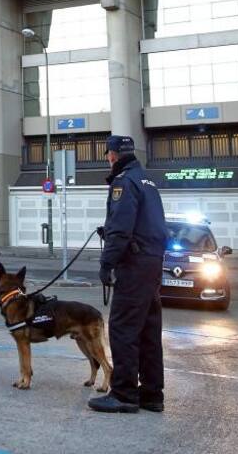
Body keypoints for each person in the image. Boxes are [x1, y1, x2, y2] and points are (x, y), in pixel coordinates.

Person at [89, 134, 168, 414]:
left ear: (113, 155)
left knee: (123, 329)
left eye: (108, 154)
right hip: (152, 262)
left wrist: (106, 263)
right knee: (148, 331)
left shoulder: (123, 182)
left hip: (133, 265)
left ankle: (123, 394)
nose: (108, 159)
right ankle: (151, 395)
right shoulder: (146, 180)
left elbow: (122, 229)